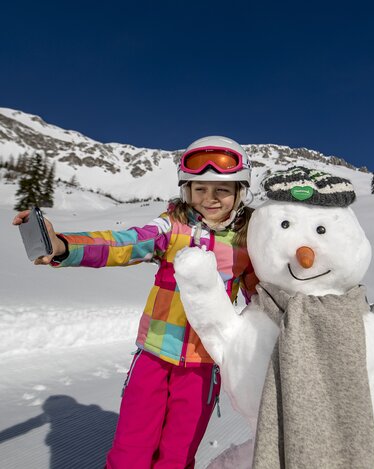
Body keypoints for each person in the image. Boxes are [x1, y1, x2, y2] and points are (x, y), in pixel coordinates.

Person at [12, 135, 258, 469]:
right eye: (200, 189)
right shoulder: (172, 227)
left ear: (239, 192)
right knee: (131, 452)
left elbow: (262, 300)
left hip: (204, 366)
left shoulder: (248, 243)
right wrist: (64, 246)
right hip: (154, 357)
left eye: (221, 190)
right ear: (187, 190)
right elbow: (123, 243)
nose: (209, 199)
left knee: (176, 456)